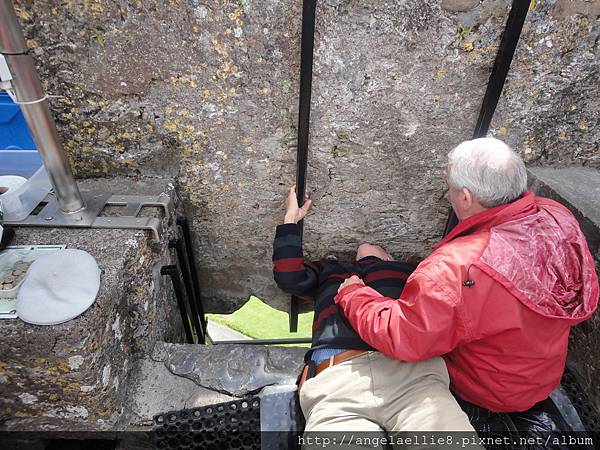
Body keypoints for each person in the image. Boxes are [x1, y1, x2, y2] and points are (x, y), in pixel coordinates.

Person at [334, 137, 599, 445]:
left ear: (466, 197)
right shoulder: (556, 217)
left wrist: (354, 294)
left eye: (449, 187)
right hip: (542, 379)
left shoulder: (456, 268)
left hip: (486, 390)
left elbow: (404, 336)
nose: (447, 194)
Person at [272, 186, 481, 447]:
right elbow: (289, 276)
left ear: (391, 257)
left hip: (412, 378)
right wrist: (291, 220)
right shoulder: (330, 271)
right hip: (338, 385)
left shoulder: (412, 272)